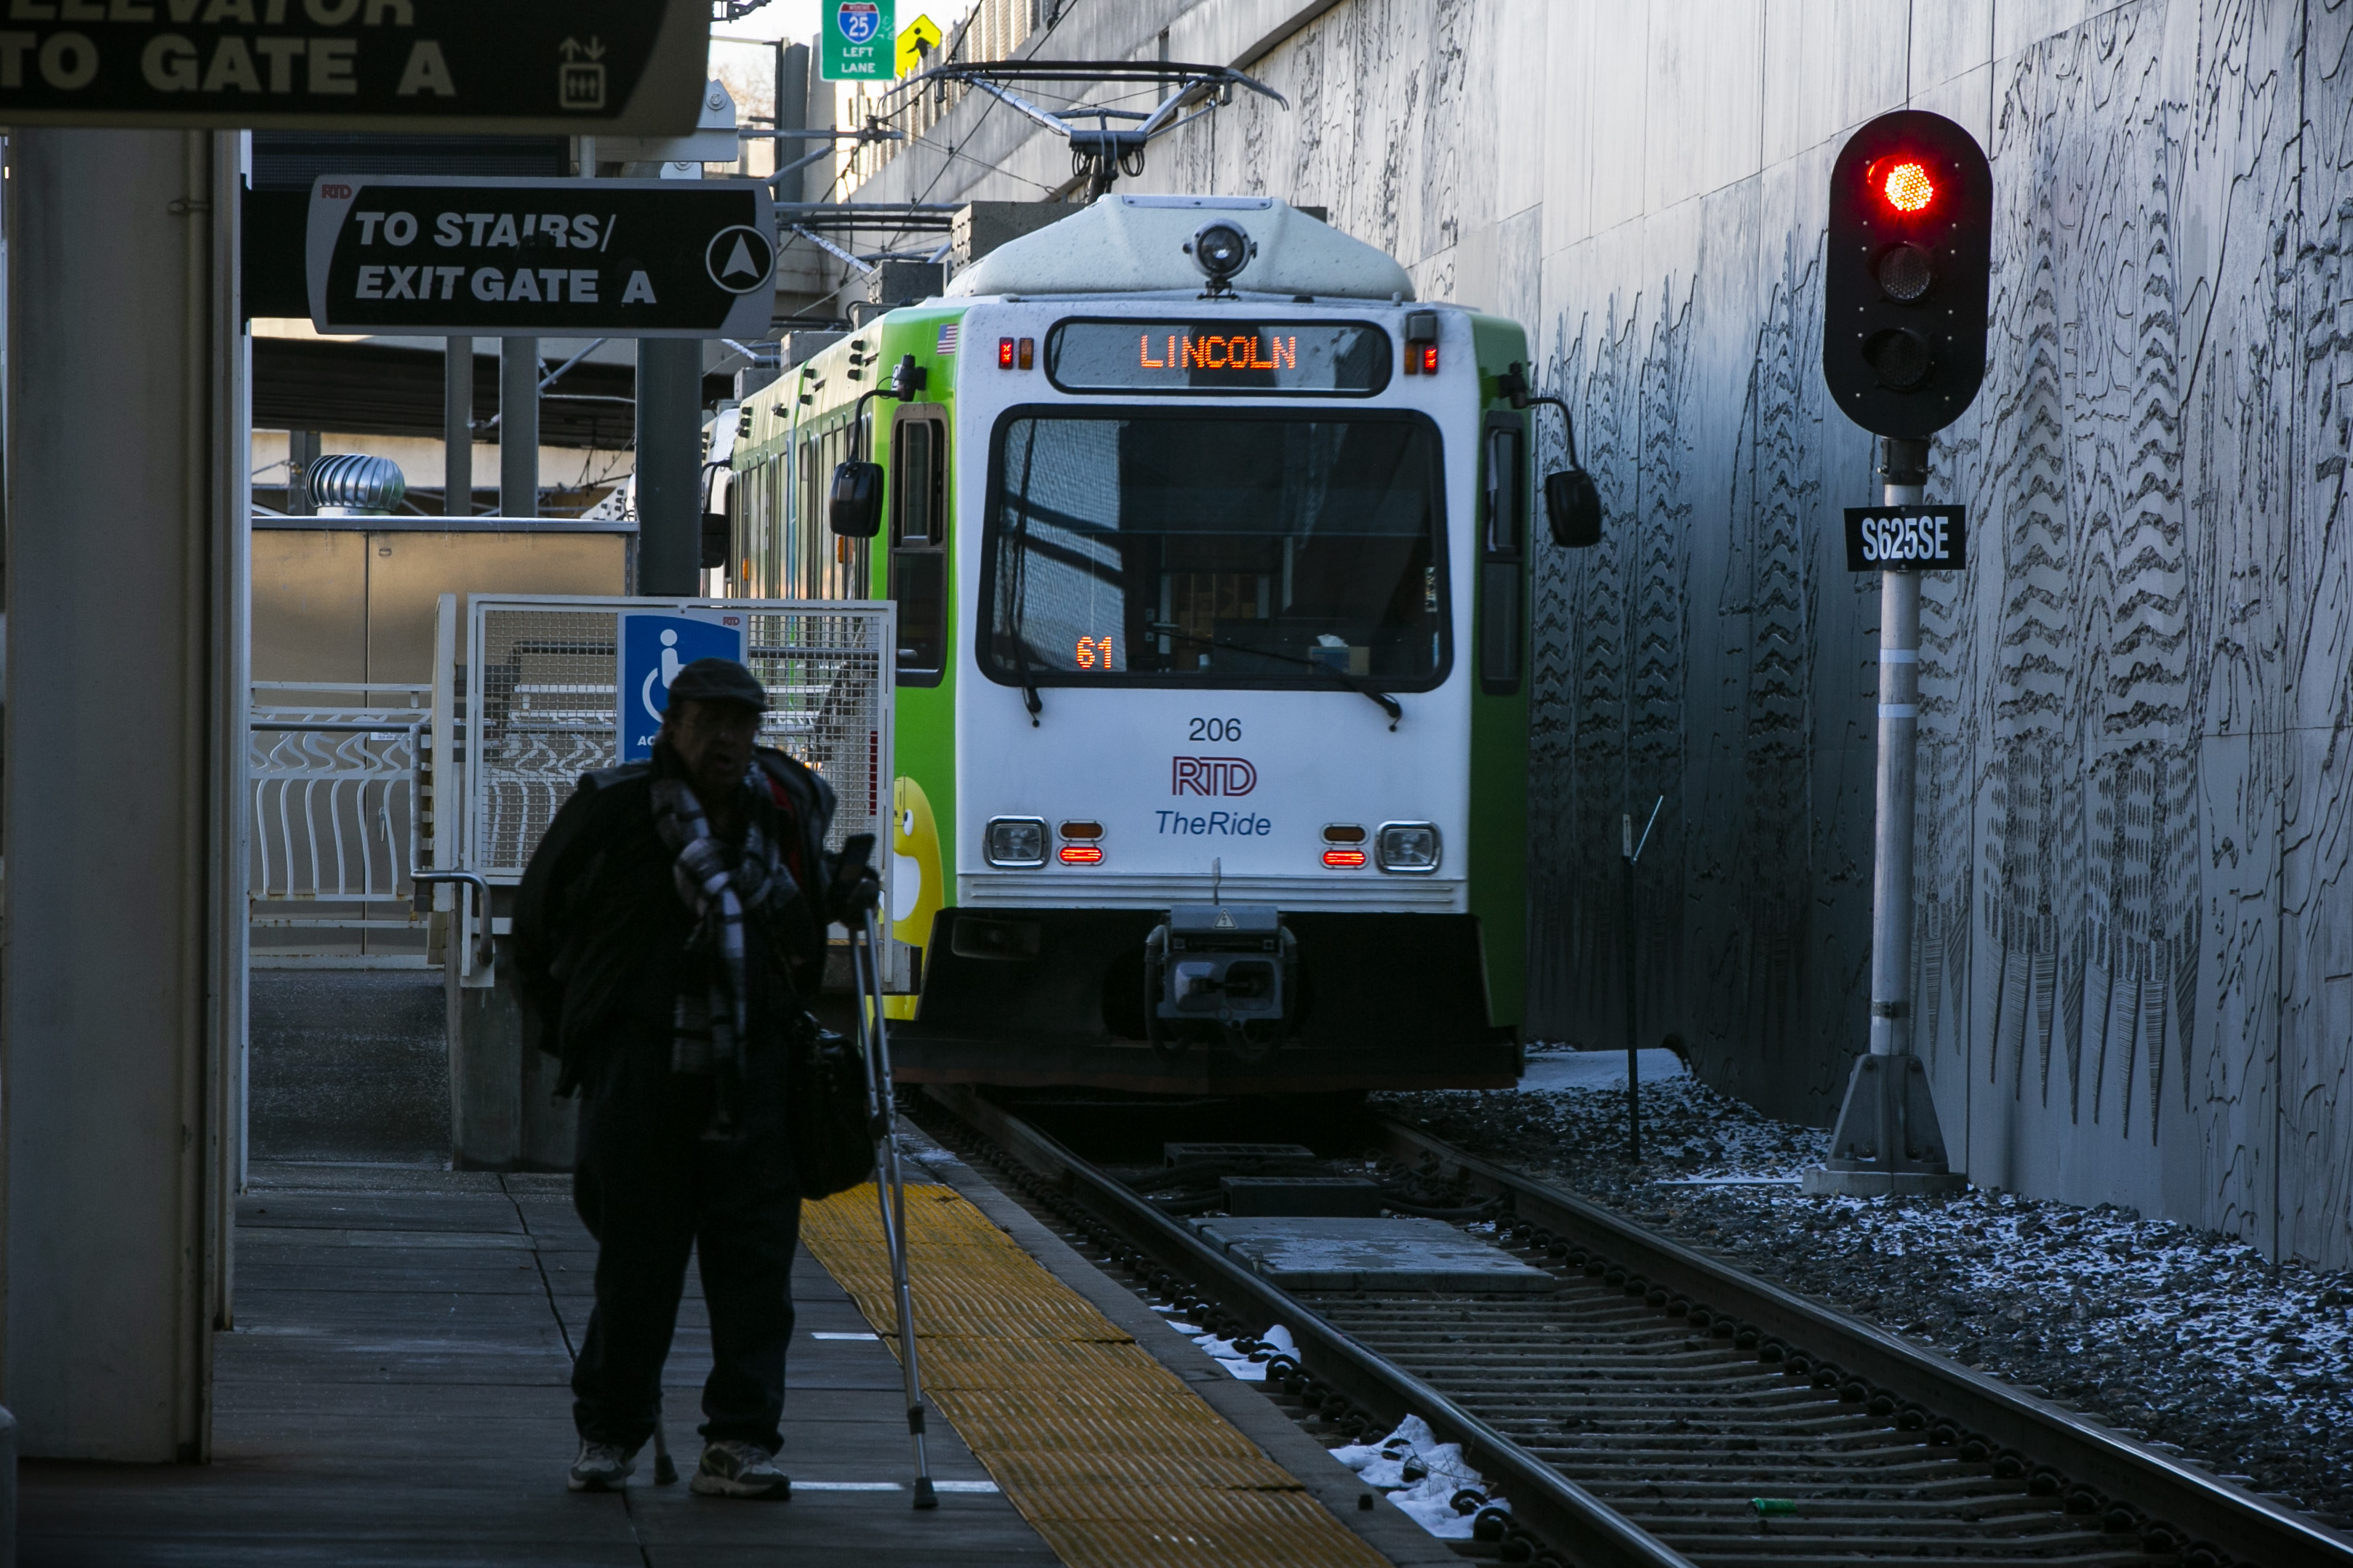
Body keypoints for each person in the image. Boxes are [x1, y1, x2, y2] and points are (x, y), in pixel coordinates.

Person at [513, 657, 880, 1498]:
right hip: (641, 1075)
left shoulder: (783, 809)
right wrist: (581, 1038)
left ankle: (740, 1442)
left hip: (755, 1073)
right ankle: (610, 1433)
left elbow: (807, 903)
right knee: (636, 1268)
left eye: (741, 723)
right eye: (708, 721)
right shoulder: (613, 809)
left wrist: (844, 892)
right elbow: (534, 927)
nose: (725, 739)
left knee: (755, 1273)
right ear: (671, 724)